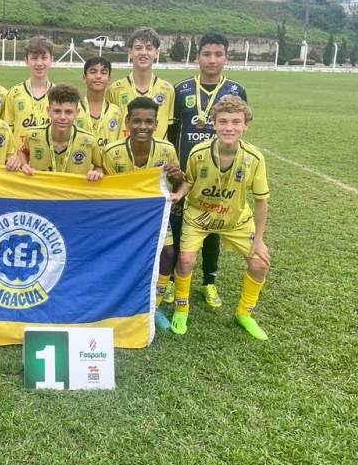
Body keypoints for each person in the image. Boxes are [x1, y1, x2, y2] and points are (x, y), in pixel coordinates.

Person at [168, 95, 270, 340]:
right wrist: (178, 195)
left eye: (236, 122)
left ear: (246, 125)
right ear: (213, 124)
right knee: (186, 261)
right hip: (199, 215)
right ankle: (182, 309)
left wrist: (259, 239)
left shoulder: (254, 158)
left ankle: (244, 314)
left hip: (235, 220)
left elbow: (261, 199)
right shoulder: (199, 152)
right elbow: (190, 181)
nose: (229, 128)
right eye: (223, 122)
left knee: (260, 263)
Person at [168, 31, 248, 308]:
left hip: (218, 175)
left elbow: (237, 129)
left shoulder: (236, 91)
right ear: (197, 56)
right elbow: (172, 131)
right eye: (207, 53)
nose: (212, 60)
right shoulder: (180, 90)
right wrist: (174, 168)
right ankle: (172, 282)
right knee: (179, 226)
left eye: (218, 54)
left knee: (214, 226)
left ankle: (209, 283)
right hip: (183, 174)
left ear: (226, 57)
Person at [102, 96, 183, 329]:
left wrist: (176, 176)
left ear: (156, 124)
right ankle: (116, 301)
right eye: (137, 121)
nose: (143, 127)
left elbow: (177, 182)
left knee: (168, 253)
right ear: (127, 122)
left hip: (153, 216)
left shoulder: (166, 150)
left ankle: (153, 306)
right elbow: (107, 190)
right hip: (122, 216)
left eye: (149, 122)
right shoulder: (112, 151)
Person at [19, 84, 103, 180]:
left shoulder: (89, 141)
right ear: (48, 111)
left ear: (77, 112)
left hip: (74, 194)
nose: (63, 117)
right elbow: (22, 152)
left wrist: (96, 173)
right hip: (42, 194)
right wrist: (24, 164)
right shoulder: (32, 136)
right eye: (57, 111)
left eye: (68, 112)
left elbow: (99, 166)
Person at [106, 27, 175, 141]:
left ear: (156, 53)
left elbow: (171, 129)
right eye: (138, 48)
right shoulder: (114, 89)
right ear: (130, 52)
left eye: (149, 48)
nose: (143, 53)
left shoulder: (168, 90)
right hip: (123, 156)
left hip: (157, 156)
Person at [3, 36, 54, 147]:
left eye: (44, 58)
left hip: (49, 160)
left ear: (51, 60)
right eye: (34, 58)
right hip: (20, 161)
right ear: (26, 61)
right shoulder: (14, 94)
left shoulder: (59, 94)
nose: (39, 63)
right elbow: (7, 132)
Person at [75, 56, 124, 148]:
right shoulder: (74, 110)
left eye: (103, 72)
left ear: (109, 79)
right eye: (93, 72)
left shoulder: (116, 111)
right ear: (84, 78)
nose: (98, 76)